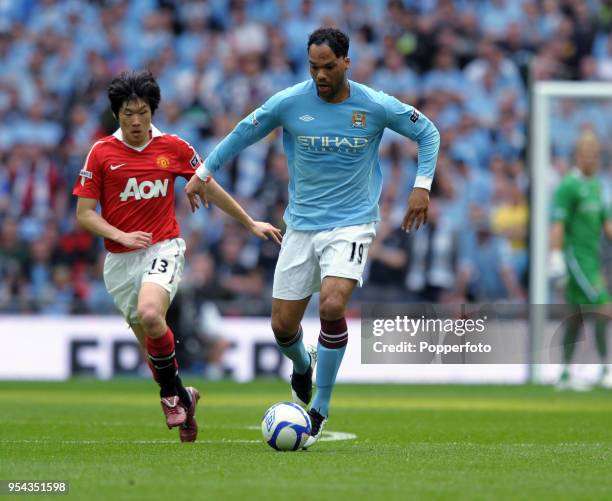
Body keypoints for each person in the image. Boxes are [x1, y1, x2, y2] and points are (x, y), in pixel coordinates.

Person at [186, 28, 440, 447]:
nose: (320, 75)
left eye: (327, 67)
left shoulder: (373, 105)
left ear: (345, 64)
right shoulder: (290, 102)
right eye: (313, 67)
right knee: (283, 326)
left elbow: (427, 131)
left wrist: (422, 186)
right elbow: (243, 132)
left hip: (353, 223)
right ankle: (303, 365)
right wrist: (203, 172)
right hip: (301, 226)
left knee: (333, 302)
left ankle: (319, 406)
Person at [73, 70, 281, 442]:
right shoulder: (101, 152)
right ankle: (185, 397)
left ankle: (170, 398)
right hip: (120, 262)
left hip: (163, 247)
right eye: (127, 114)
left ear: (152, 111)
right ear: (116, 115)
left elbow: (209, 186)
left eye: (142, 112)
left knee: (153, 315)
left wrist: (250, 223)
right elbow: (85, 214)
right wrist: (120, 234)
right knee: (155, 356)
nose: (135, 121)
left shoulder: (173, 147)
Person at [550, 130, 612, 390]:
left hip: (593, 258)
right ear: (577, 156)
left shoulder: (598, 186)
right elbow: (558, 223)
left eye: (595, 154)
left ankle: (564, 374)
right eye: (587, 154)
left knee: (575, 316)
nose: (592, 159)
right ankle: (605, 369)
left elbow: (607, 225)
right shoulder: (568, 186)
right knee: (603, 306)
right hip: (576, 258)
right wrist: (555, 256)